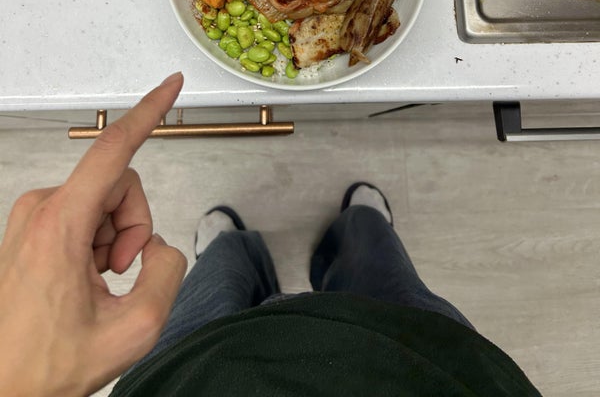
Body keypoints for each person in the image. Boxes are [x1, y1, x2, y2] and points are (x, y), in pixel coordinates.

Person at [0, 73, 542, 396]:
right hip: (430, 363)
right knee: (378, 263)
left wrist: (22, 383)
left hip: (190, 374)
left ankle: (231, 249)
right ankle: (360, 229)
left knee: (219, 274)